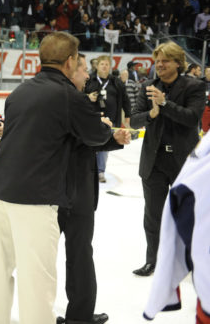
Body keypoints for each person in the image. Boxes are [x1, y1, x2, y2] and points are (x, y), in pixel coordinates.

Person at [0, 31, 112, 324]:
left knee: (0, 273)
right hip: (35, 197)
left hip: (1, 191)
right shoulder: (67, 95)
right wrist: (108, 129)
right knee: (37, 283)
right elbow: (95, 135)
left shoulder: (19, 92)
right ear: (69, 62)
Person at [56, 53, 130, 324]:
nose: (87, 75)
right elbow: (83, 136)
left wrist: (110, 136)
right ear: (68, 68)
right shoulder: (71, 100)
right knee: (74, 255)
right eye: (83, 69)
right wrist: (105, 132)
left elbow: (82, 141)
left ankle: (77, 315)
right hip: (65, 191)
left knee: (79, 255)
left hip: (70, 190)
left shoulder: (73, 98)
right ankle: (67, 315)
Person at [130, 41, 206, 277]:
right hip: (154, 162)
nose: (159, 64)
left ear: (177, 63)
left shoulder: (194, 87)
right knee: (152, 216)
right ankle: (153, 261)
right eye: (157, 60)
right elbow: (134, 121)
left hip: (184, 163)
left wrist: (164, 103)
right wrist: (152, 113)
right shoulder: (148, 86)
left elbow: (192, 118)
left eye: (165, 60)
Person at [85, 56, 131, 182]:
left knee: (104, 145)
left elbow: (126, 100)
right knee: (89, 145)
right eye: (102, 64)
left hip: (110, 121)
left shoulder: (116, 82)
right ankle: (87, 169)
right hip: (91, 120)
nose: (104, 66)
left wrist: (127, 117)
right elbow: (79, 96)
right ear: (97, 66)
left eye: (107, 64)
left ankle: (100, 171)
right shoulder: (89, 80)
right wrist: (87, 97)